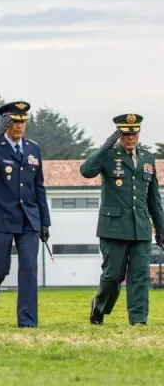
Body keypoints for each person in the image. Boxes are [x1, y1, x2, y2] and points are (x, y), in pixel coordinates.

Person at [81, 113, 164, 326]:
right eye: (125, 134)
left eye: (133, 133)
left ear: (138, 133)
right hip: (114, 228)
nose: (130, 138)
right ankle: (99, 307)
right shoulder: (108, 155)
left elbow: (154, 198)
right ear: (119, 135)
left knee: (139, 277)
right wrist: (105, 146)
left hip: (141, 227)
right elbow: (86, 171)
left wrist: (161, 229)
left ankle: (138, 320)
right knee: (112, 276)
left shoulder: (147, 158)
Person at [0, 101, 50, 328]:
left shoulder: (33, 149)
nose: (19, 126)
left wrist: (45, 222)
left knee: (29, 267)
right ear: (5, 123)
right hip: (1, 218)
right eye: (14, 122)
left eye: (22, 122)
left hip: (29, 218)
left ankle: (27, 321)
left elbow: (39, 187)